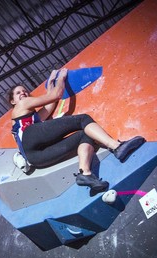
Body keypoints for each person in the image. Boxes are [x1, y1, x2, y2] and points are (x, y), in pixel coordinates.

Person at [8, 68, 145, 191]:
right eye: (18, 93)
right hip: (30, 140)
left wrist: (51, 83)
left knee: (85, 134)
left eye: (25, 91)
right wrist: (61, 77)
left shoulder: (33, 118)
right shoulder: (21, 106)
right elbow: (56, 95)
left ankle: (85, 174)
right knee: (82, 119)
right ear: (13, 102)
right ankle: (116, 146)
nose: (24, 93)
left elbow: (50, 104)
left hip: (37, 158)